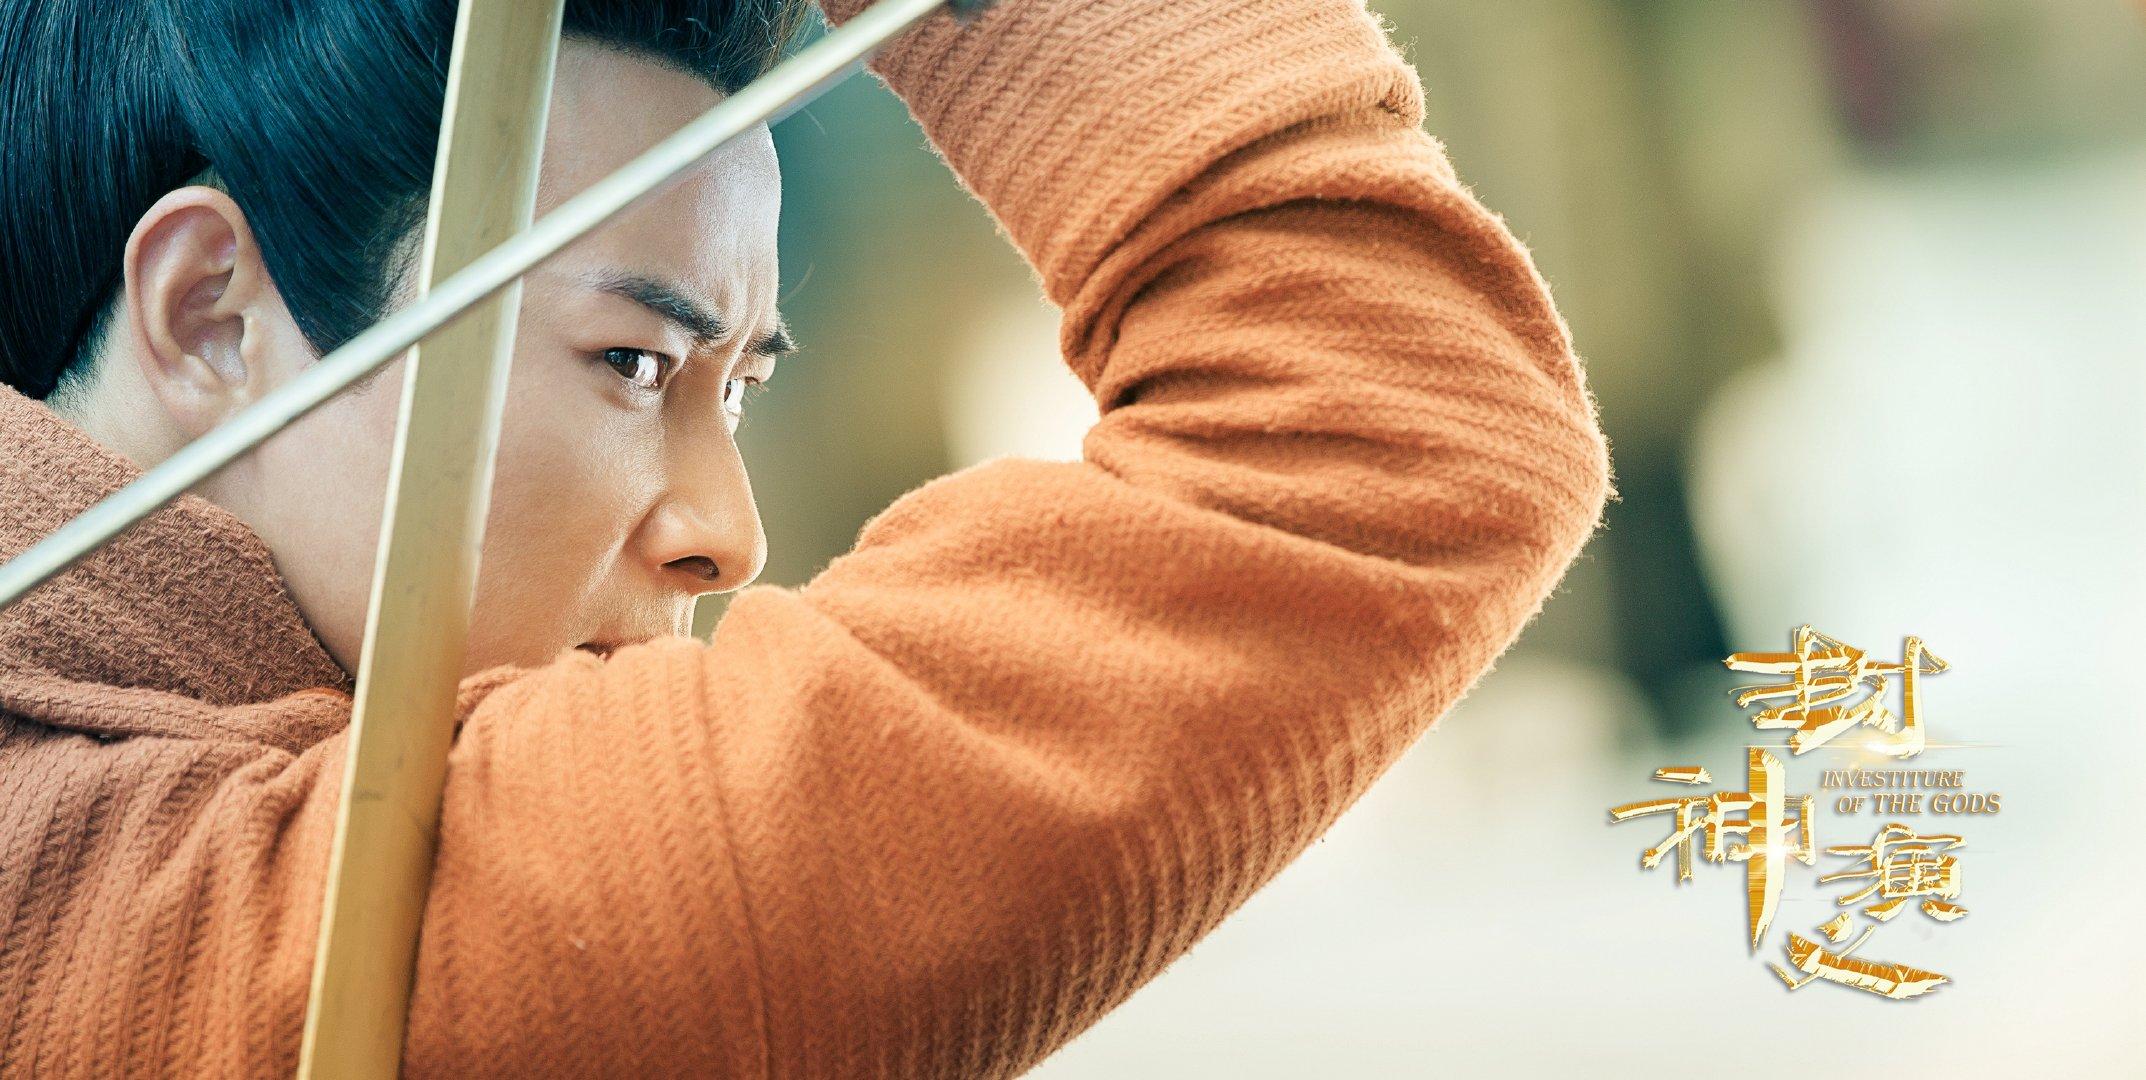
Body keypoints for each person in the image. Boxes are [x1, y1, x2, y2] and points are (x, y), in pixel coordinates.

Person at [0, 0, 1612, 1075]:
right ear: (212, 313)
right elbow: (1397, 429)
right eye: (634, 364)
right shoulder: (231, 938)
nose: (730, 537)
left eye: (739, 389)